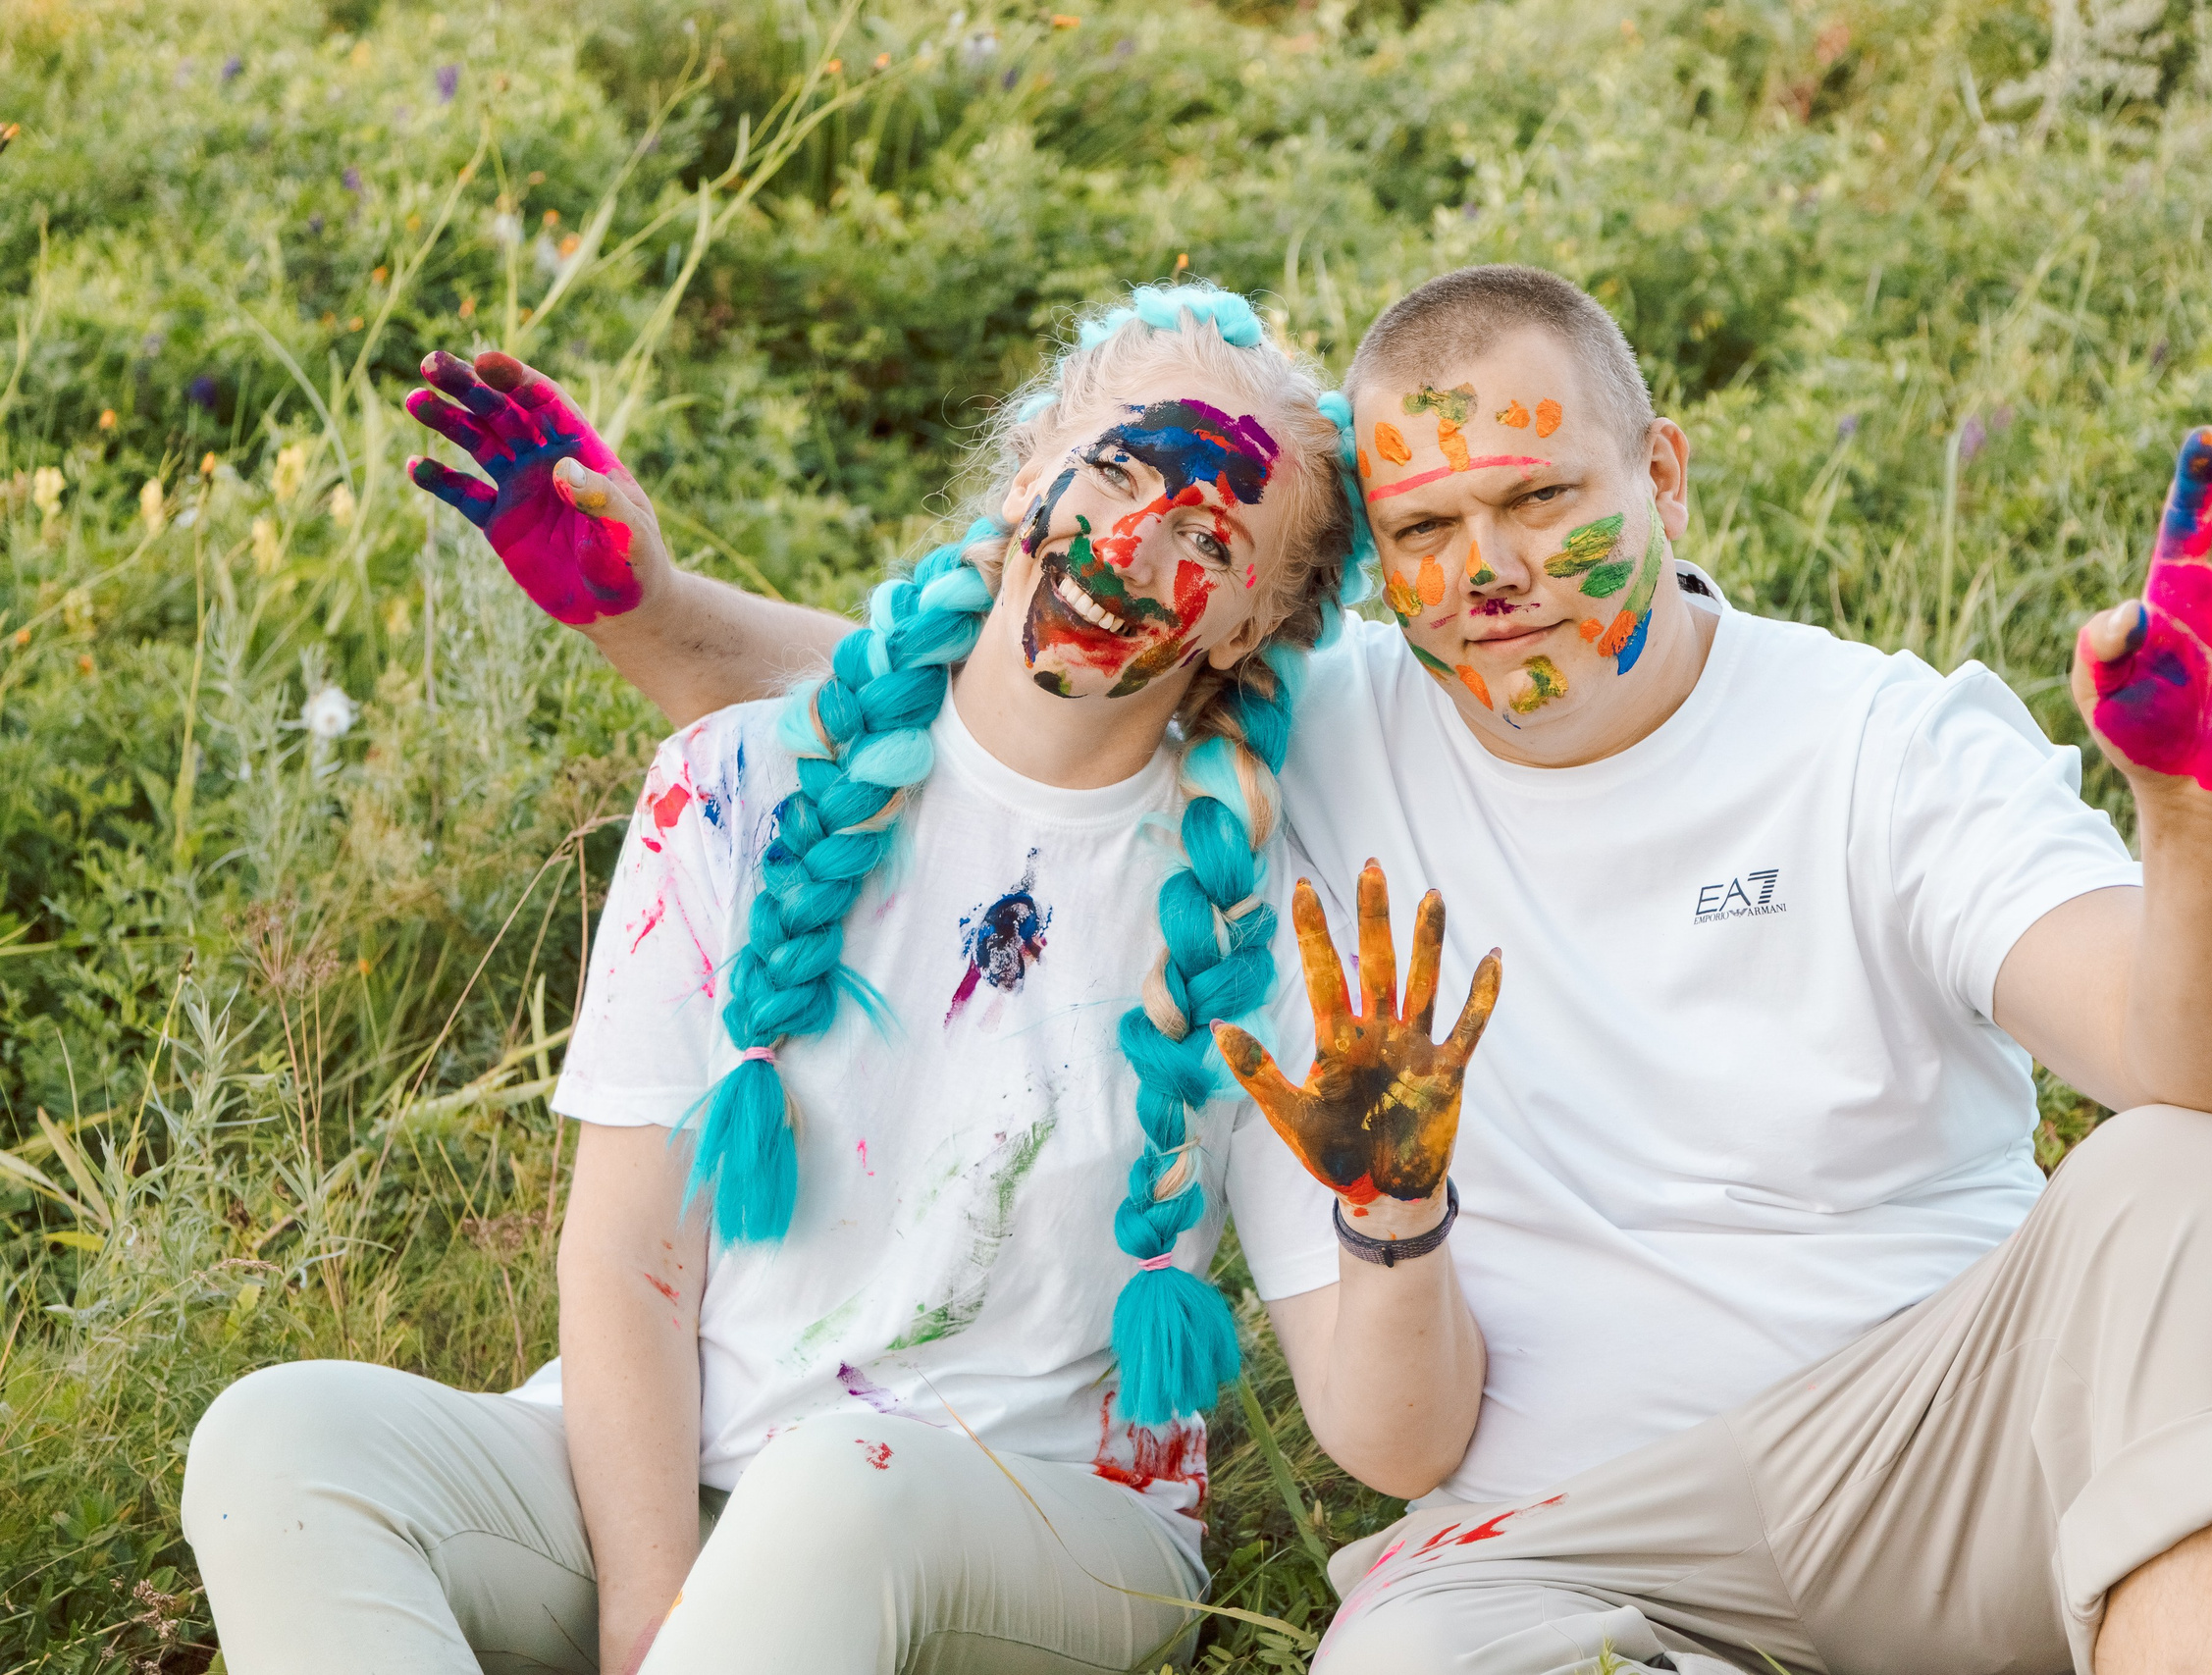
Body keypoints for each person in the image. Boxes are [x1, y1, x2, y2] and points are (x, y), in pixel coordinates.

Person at [414, 264, 2212, 1675]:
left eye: (1540, 496)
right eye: (1431, 525)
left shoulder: (1873, 741)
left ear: (1664, 476)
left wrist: (2201, 817)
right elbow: (974, 680)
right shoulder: (1316, 728)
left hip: (1929, 1454)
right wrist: (652, 607)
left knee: (2196, 1169)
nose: (1493, 568)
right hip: (1542, 1539)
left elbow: (2201, 1060)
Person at [179, 283, 1500, 1675]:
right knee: (281, 1437)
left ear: (1248, 630)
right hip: (676, 1477)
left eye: (1201, 537)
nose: (1126, 544)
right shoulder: (733, 785)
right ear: (1027, 465)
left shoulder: (1252, 920)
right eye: (1113, 469)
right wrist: (649, 1606)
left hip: (1034, 1531)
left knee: (840, 1478)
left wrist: (1397, 1212)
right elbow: (632, 1259)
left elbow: (1391, 1444)